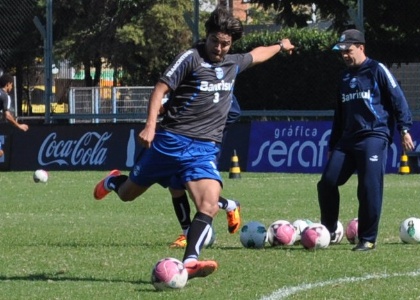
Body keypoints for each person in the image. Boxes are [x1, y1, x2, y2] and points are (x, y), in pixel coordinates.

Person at [92, 6, 295, 279]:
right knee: (128, 194)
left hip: (203, 149)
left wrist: (280, 46)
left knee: (209, 204)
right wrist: (150, 126)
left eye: (225, 44)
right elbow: (160, 88)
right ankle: (113, 181)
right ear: (207, 36)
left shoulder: (232, 63)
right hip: (169, 142)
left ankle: (190, 261)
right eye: (215, 41)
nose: (219, 48)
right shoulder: (191, 58)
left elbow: (257, 55)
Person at [317, 29, 415, 252]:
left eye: (348, 51)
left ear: (361, 48)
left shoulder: (376, 70)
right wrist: (333, 145)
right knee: (327, 183)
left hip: (374, 135)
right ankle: (329, 229)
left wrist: (405, 129)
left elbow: (398, 99)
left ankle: (367, 238)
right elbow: (339, 115)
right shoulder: (344, 77)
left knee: (369, 185)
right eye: (341, 52)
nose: (344, 56)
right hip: (347, 139)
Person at [168, 95, 242, 249]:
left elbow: (234, 112)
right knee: (175, 187)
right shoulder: (182, 80)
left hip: (205, 143)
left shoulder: (216, 80)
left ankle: (229, 206)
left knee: (195, 188)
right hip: (181, 139)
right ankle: (188, 232)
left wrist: (211, 128)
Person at [0, 73, 29, 157]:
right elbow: (7, 115)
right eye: (11, 85)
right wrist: (18, 125)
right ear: (8, 84)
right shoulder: (5, 96)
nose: (11, 87)